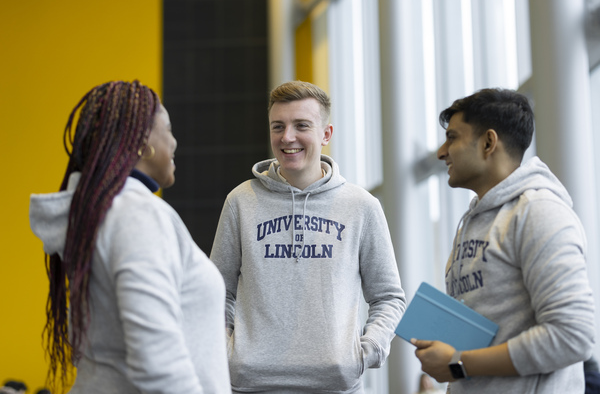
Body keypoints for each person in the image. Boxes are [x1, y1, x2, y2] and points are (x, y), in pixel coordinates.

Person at [29, 81, 230, 394]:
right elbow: (158, 361)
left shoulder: (105, 210)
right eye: (169, 129)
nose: (175, 142)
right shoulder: (137, 215)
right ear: (143, 141)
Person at [210, 80, 406, 393]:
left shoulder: (361, 206)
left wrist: (366, 351)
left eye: (301, 125)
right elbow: (217, 291)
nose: (287, 137)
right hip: (250, 384)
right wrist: (228, 352)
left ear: (326, 134)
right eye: (278, 126)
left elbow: (389, 297)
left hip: (336, 385)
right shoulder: (241, 201)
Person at [411, 88, 595, 393]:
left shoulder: (538, 212)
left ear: (488, 142)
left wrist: (458, 363)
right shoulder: (472, 222)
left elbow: (572, 336)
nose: (442, 152)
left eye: (453, 138)